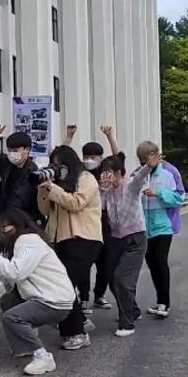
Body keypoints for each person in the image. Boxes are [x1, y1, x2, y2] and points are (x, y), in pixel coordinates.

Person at [0, 210, 78, 376]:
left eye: (5, 227)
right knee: (8, 301)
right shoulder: (24, 241)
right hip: (47, 296)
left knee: (12, 317)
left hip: (53, 299)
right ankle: (26, 344)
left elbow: (16, 272)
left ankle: (43, 356)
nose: (2, 232)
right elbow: (10, 279)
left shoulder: (28, 241)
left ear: (18, 225)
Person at [37, 145, 102, 348]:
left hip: (84, 238)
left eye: (59, 165)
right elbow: (45, 210)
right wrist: (43, 188)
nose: (56, 169)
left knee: (62, 285)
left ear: (69, 163)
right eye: (53, 165)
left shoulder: (86, 179)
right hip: (62, 240)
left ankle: (76, 333)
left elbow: (76, 203)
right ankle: (79, 322)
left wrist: (54, 189)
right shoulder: (58, 184)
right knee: (62, 284)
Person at [64, 125, 125, 311]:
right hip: (84, 222)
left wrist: (110, 136)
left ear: (100, 157)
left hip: (105, 223)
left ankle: (99, 295)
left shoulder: (106, 169)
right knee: (84, 263)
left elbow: (119, 158)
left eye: (94, 157)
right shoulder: (79, 172)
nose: (90, 160)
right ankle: (83, 297)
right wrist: (69, 137)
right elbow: (62, 157)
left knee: (106, 263)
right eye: (87, 157)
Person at [98, 151, 159, 336]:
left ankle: (127, 324)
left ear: (118, 173)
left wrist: (148, 166)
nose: (105, 176)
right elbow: (98, 207)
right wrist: (102, 189)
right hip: (117, 239)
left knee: (123, 280)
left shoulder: (130, 185)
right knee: (111, 278)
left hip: (135, 238)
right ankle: (133, 310)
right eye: (103, 172)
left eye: (108, 172)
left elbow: (139, 177)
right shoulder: (107, 191)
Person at [136, 141, 185, 319]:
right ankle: (159, 300)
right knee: (151, 262)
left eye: (146, 160)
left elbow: (179, 197)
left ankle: (165, 302)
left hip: (164, 224)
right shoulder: (140, 173)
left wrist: (158, 193)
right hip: (144, 226)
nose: (144, 164)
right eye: (141, 161)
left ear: (155, 155)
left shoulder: (170, 172)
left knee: (160, 260)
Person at [0, 125, 43, 223]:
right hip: (8, 216)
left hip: (26, 219)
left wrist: (7, 217)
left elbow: (21, 197)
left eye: (15, 151)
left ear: (27, 149)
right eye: (10, 150)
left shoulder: (32, 171)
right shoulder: (8, 165)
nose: (12, 154)